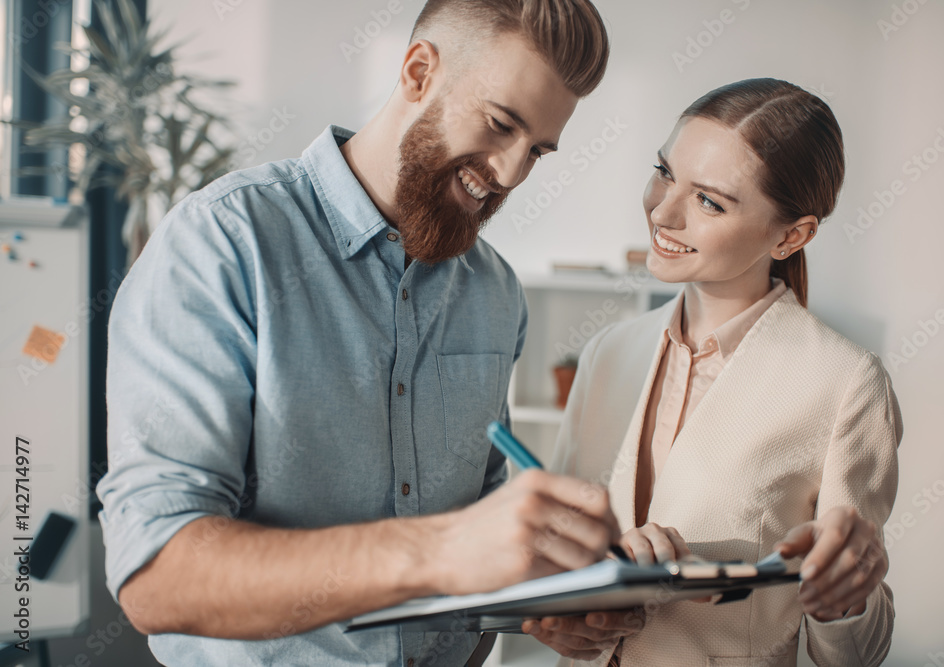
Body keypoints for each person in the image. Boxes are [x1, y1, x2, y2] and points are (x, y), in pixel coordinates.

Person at [95, 2, 643, 665]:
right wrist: (438, 549)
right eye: (501, 125)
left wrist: (548, 597)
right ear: (418, 72)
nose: (509, 173)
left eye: (537, 151)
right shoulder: (223, 245)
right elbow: (156, 574)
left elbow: (483, 500)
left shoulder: (492, 289)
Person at [525, 79, 903, 666]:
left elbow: (855, 656)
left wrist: (844, 600)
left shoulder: (845, 384)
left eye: (709, 201)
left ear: (792, 235)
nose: (662, 210)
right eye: (665, 172)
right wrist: (556, 613)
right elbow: (553, 555)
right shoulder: (607, 352)